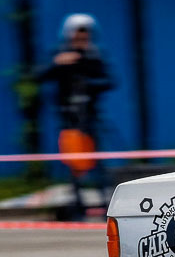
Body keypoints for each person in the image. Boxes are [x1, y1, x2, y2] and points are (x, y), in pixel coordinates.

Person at [35, 13, 115, 219]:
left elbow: (109, 81)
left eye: (84, 34)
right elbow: (40, 75)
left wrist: (87, 76)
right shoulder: (60, 54)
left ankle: (106, 204)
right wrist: (58, 64)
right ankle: (77, 206)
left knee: (97, 163)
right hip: (68, 118)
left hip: (90, 117)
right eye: (77, 34)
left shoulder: (95, 55)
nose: (81, 39)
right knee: (74, 165)